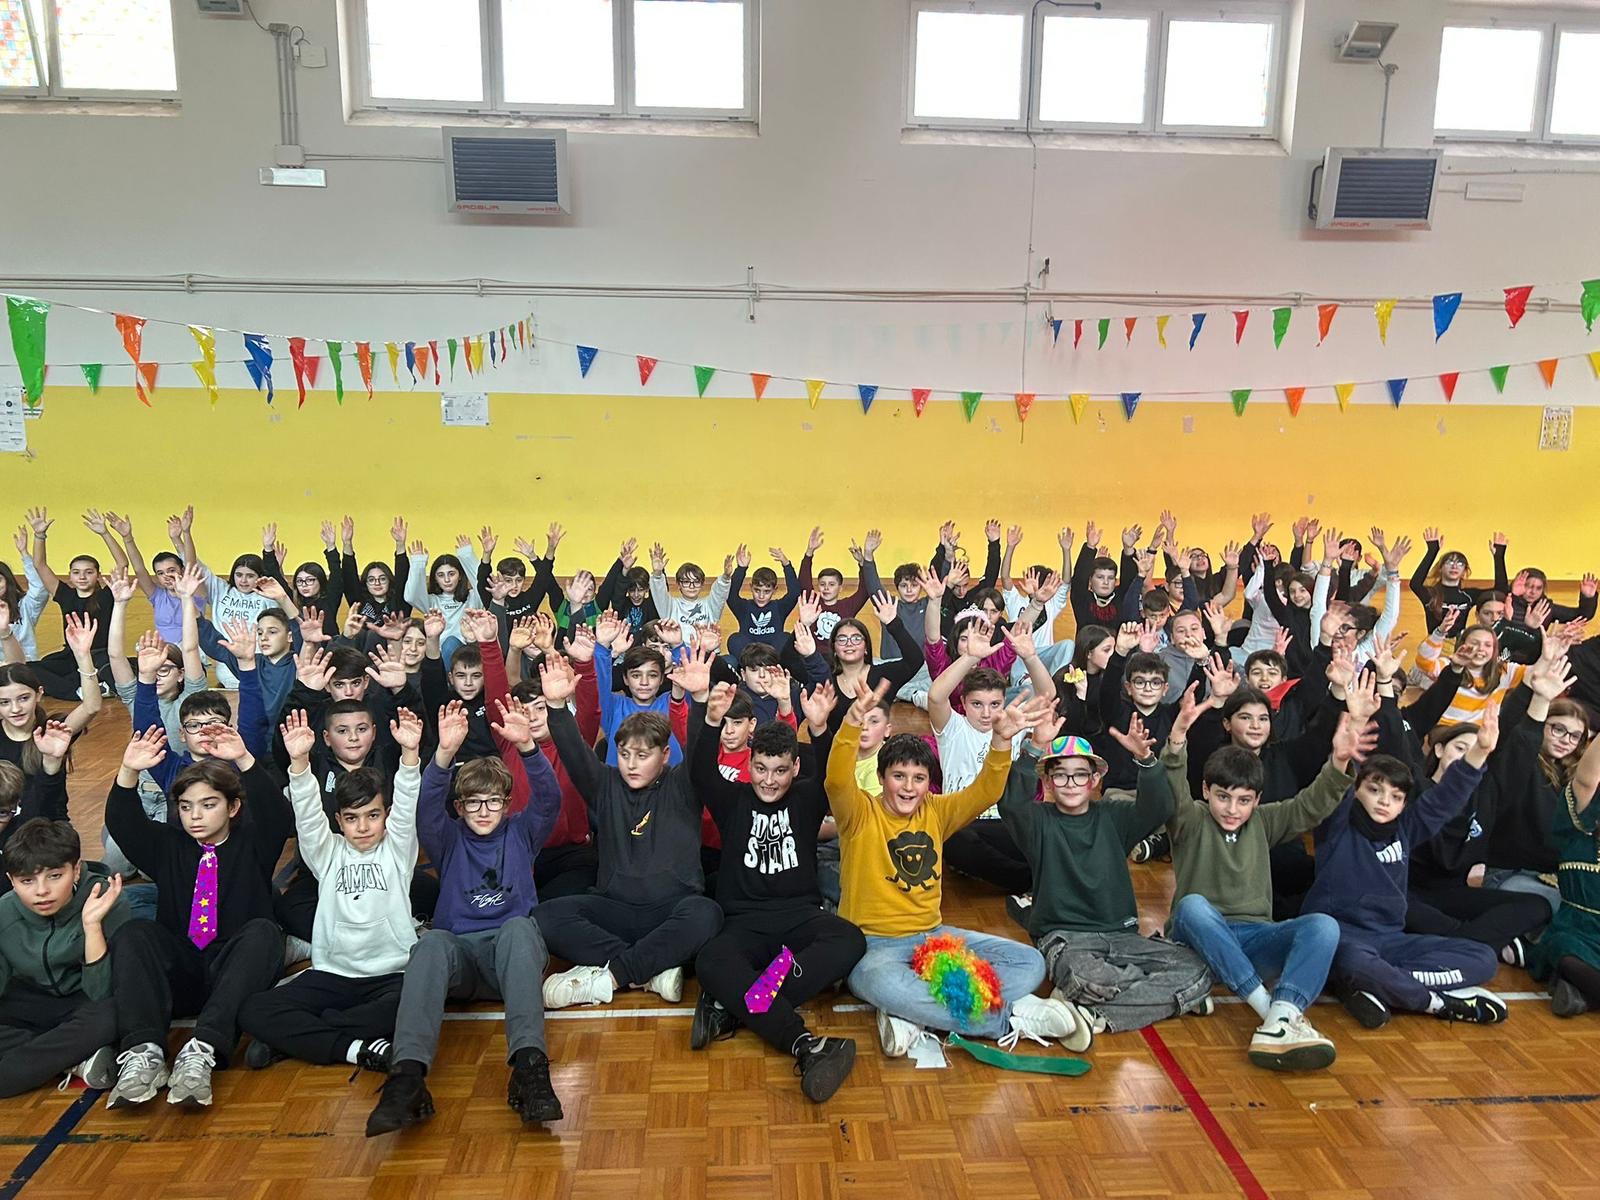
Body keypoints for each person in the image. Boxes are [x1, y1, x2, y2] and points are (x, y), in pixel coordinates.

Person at [826, 681, 1088, 1056]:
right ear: (882, 778)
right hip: (874, 944)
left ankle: (914, 1016)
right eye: (898, 776)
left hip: (934, 937)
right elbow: (836, 780)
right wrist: (850, 724)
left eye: (918, 778)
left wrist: (1001, 741)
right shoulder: (859, 813)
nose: (908, 787)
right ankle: (1009, 1018)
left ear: (927, 784)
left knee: (1030, 962)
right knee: (879, 982)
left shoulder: (936, 810)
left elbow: (986, 792)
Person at [365, 697, 564, 1134]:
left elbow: (550, 799)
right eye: (473, 803)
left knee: (519, 928)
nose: (484, 811)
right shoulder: (448, 839)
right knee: (430, 943)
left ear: (507, 804)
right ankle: (407, 1077)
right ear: (459, 807)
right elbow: (425, 808)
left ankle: (530, 1069)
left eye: (493, 802)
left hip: (510, 959)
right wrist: (443, 754)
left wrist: (528, 748)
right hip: (460, 963)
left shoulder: (522, 832)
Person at [1164, 707, 1372, 1071]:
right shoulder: (1192, 819)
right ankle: (1269, 1013)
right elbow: (1173, 791)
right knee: (1192, 906)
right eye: (1223, 797)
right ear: (1206, 791)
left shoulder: (1264, 821)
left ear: (1257, 800)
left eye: (1244, 800)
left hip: (1253, 939)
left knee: (1324, 926)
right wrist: (1177, 739)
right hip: (1196, 943)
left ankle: (1284, 1012)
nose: (1232, 809)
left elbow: (1308, 806)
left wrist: (1338, 762)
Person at [688, 679, 864, 1102]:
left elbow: (834, 777)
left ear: (796, 768)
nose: (769, 780)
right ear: (749, 763)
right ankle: (803, 1043)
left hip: (799, 918)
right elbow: (700, 772)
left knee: (850, 939)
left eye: (780, 770)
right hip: (743, 924)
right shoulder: (732, 799)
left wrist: (819, 729)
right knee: (709, 961)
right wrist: (710, 719)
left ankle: (736, 1006)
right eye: (761, 769)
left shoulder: (806, 798)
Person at [102, 722, 293, 1109]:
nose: (195, 817)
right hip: (184, 971)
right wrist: (128, 770)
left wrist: (243, 758)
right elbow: (124, 823)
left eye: (208, 805)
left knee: (264, 932)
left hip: (235, 973)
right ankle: (144, 1052)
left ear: (233, 807)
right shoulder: (167, 846)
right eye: (186, 807)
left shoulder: (253, 842)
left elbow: (276, 814)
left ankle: (202, 1049)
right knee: (134, 932)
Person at [237, 708, 425, 1073]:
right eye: (352, 818)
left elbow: (407, 800)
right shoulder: (326, 854)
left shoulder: (398, 850)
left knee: (416, 1002)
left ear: (386, 816)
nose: (363, 827)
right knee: (254, 1010)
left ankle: (301, 1036)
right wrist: (298, 762)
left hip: (391, 976)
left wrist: (410, 754)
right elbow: (308, 816)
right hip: (332, 975)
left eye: (373, 815)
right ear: (338, 821)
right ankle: (354, 1048)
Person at [1001, 713, 1213, 1036]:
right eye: (1060, 776)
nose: (1070, 784)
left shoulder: (1114, 816)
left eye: (1080, 775)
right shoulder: (1038, 822)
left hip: (1123, 937)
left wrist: (1146, 760)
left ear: (1094, 780)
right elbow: (1012, 805)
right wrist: (1034, 747)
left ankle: (1092, 1010)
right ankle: (1171, 996)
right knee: (1085, 977)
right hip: (1066, 940)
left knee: (1197, 968)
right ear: (1047, 782)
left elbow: (1159, 808)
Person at [1303, 701, 1510, 1029]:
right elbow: (1333, 786)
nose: (1384, 801)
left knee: (1483, 959)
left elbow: (1445, 799)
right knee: (1355, 963)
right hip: (1341, 939)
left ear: (1403, 804)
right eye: (1375, 790)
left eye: (1396, 796)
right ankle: (1435, 1003)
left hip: (1390, 941)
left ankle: (1381, 985)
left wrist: (1480, 751)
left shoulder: (1405, 829)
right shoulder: (1336, 824)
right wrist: (1351, 734)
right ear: (1356, 791)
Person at [534, 655, 724, 1009]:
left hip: (672, 908)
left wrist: (699, 700)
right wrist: (557, 708)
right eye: (624, 754)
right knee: (544, 917)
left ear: (664, 755)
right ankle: (650, 972)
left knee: (707, 914)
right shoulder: (605, 785)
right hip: (615, 909)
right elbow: (575, 754)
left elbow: (701, 754)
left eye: (642, 756)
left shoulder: (684, 785)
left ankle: (610, 977)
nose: (632, 765)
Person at [0, 818, 130, 1096]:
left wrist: (92, 927)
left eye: (55, 876)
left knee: (114, 1014)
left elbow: (101, 993)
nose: (41, 891)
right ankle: (74, 1061)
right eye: (27, 881)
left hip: (85, 1004)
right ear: (11, 881)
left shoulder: (106, 900)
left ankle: (15, 1071)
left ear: (76, 869)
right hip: (32, 1005)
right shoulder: (4, 912)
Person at [1528, 697, 1600, 1016]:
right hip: (1578, 930)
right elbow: (1586, 778)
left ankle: (1579, 994)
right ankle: (1576, 987)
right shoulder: (1581, 824)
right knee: (1567, 954)